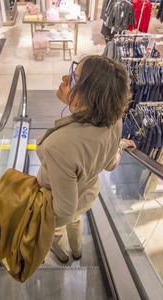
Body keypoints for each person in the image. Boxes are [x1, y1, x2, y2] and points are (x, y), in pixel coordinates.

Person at [36, 55, 136, 263]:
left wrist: (36, 219)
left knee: (60, 227)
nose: (65, 78)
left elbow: (63, 208)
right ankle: (78, 250)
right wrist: (121, 145)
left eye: (73, 79)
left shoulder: (59, 146)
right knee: (75, 220)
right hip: (88, 194)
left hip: (58, 203)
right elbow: (109, 163)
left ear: (89, 98)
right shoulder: (114, 119)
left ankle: (62, 254)